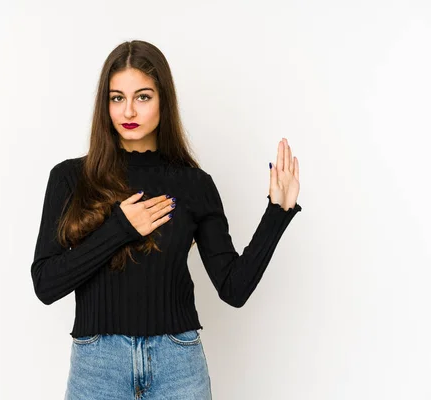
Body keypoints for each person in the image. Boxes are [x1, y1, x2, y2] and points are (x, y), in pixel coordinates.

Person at [30, 40, 302, 400]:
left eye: (143, 97)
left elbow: (234, 289)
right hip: (98, 365)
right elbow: (46, 284)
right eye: (116, 98)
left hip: (178, 363)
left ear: (163, 101)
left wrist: (278, 212)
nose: (129, 110)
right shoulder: (70, 178)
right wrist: (120, 229)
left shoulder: (193, 184)